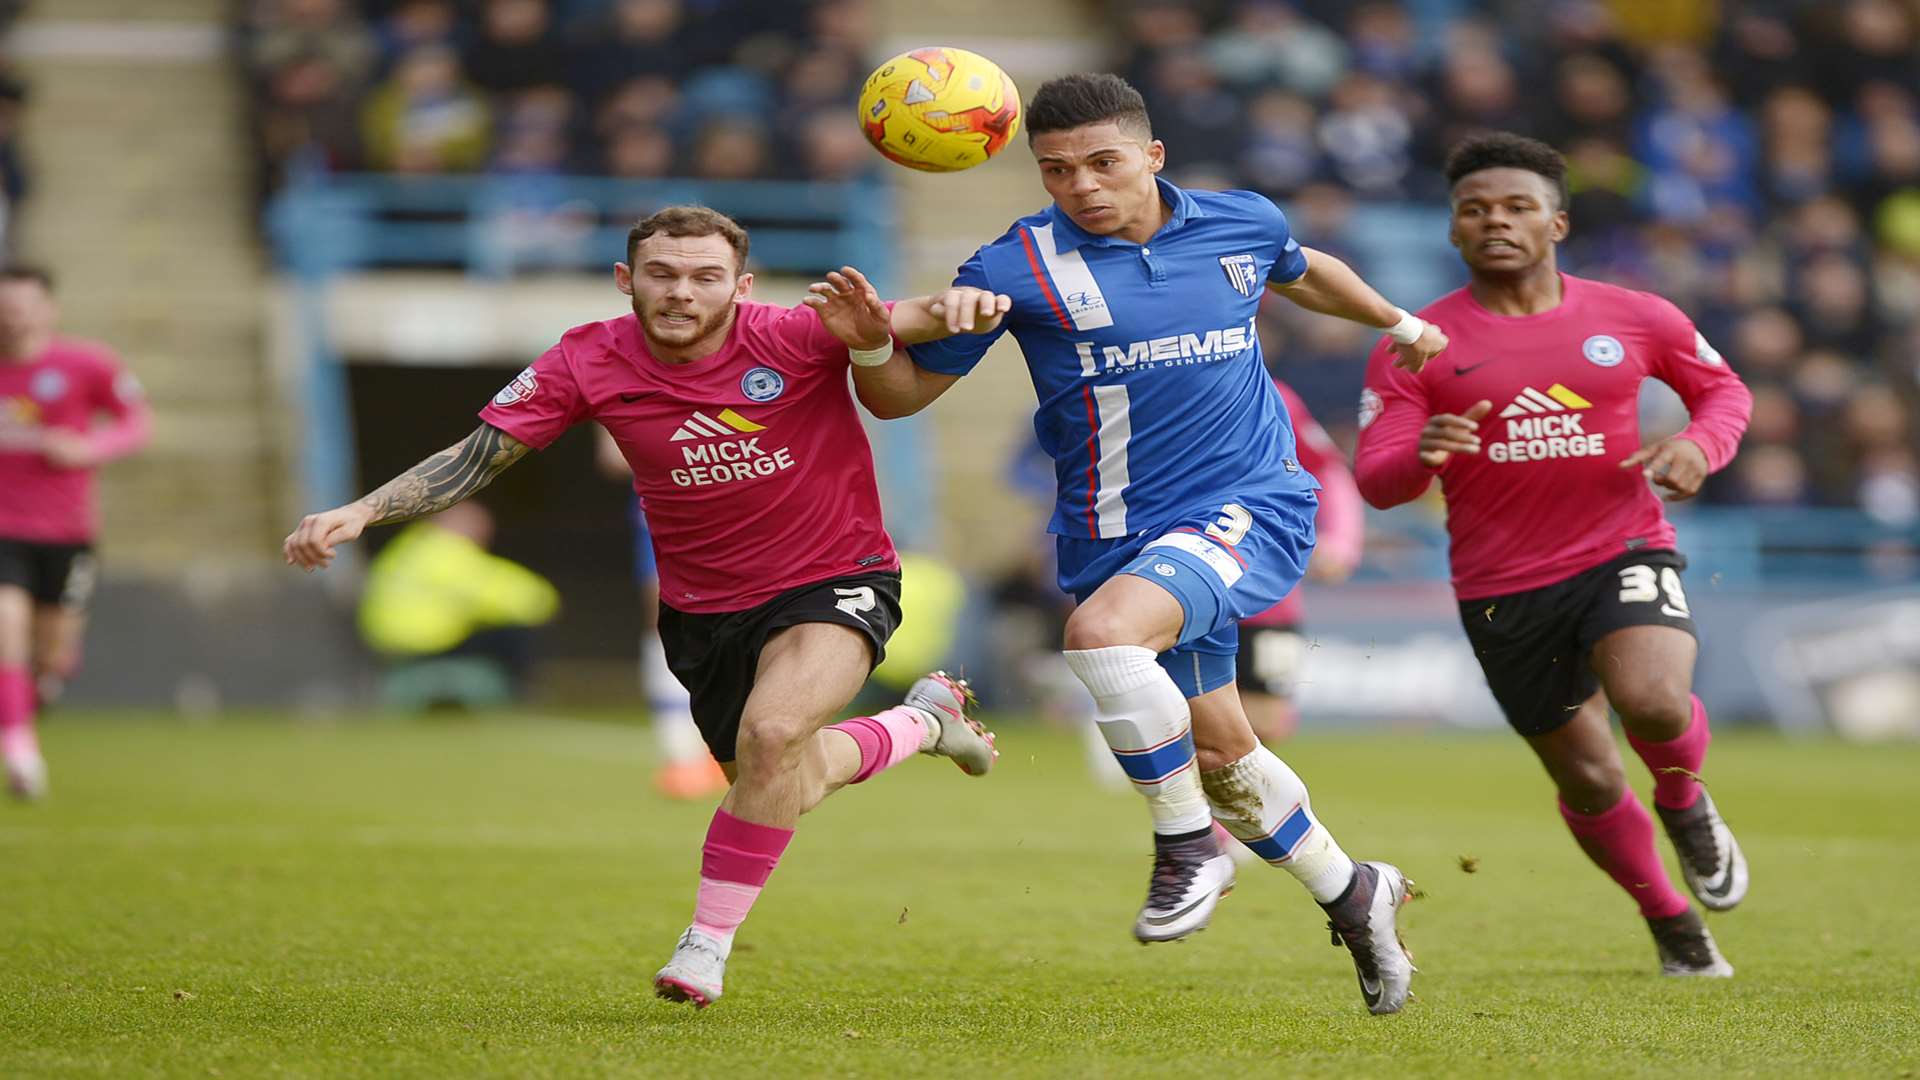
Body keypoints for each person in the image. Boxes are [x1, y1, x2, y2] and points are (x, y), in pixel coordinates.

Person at [811, 73, 1447, 1014]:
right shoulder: (1012, 269)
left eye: (1104, 163)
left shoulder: (1240, 223)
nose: (1084, 186)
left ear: (1151, 156)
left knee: (1103, 638)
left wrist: (1400, 322)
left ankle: (1186, 844)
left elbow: (1303, 269)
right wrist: (870, 344)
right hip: (1111, 533)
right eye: (1058, 170)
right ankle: (1356, 892)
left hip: (1251, 501)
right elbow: (900, 397)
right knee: (1228, 754)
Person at [284, 206, 998, 1008]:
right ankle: (921, 724)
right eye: (662, 274)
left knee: (772, 735)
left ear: (741, 285)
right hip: (704, 609)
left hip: (835, 575)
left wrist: (968, 302)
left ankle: (705, 947)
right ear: (628, 280)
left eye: (704, 276)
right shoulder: (587, 359)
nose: (681, 292)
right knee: (780, 780)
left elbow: (915, 315)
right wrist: (362, 511)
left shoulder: (795, 333)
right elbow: (478, 454)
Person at [1353, 132, 1753, 977]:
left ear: (1556, 222)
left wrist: (1698, 448)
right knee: (1593, 783)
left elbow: (1721, 391)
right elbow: (1375, 480)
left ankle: (1685, 802)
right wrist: (1419, 449)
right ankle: (1669, 917)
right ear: (1454, 232)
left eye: (1516, 206)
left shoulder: (1636, 316)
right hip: (1500, 588)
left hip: (1623, 545)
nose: (1495, 221)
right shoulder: (1414, 345)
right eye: (1475, 210)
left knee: (1650, 700)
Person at [0, 267, 150, 799]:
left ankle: (40, 689)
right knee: (5, 627)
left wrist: (89, 449)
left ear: (48, 310)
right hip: (4, 531)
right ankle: (20, 751)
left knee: (51, 654)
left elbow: (137, 422)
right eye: (5, 308)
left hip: (66, 532)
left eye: (22, 307)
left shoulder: (87, 363)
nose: (12, 319)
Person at [593, 425, 727, 799]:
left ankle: (724, 742)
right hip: (667, 504)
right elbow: (613, 457)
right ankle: (681, 751)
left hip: (731, 501)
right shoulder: (619, 371)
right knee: (667, 618)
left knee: (740, 615)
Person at [1236, 377, 1363, 743]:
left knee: (1267, 724)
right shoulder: (1153, 386)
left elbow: (1326, 468)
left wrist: (1339, 542)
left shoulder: (1272, 395)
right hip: (1178, 583)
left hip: (1266, 593)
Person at [356, 500, 559, 704]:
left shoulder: (405, 549)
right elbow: (526, 600)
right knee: (515, 630)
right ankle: (519, 692)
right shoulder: (448, 552)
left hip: (387, 646)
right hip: (429, 645)